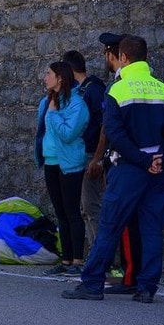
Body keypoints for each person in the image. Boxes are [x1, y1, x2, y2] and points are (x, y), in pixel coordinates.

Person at [62, 35, 164, 303]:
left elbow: (115, 133)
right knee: (152, 229)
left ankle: (92, 284)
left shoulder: (118, 90)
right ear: (145, 57)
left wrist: (142, 160)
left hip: (129, 169)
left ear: (124, 57)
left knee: (109, 225)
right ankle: (146, 288)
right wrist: (161, 158)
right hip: (158, 172)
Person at [96, 32, 143, 295]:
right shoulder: (146, 83)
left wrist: (99, 159)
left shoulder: (119, 86)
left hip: (124, 161)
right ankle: (133, 274)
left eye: (106, 54)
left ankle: (128, 275)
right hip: (142, 160)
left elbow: (109, 129)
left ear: (115, 56)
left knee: (122, 222)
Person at [35, 61, 90, 277]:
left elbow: (68, 134)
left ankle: (77, 260)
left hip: (70, 164)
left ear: (60, 78)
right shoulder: (47, 101)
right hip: (51, 162)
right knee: (60, 213)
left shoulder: (77, 104)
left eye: (48, 74)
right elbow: (42, 132)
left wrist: (53, 114)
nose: (45, 77)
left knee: (72, 212)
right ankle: (66, 260)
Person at [61, 50, 106, 252]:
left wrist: (97, 159)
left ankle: (100, 255)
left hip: (90, 155)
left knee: (91, 206)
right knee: (83, 208)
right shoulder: (80, 91)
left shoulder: (93, 90)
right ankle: (94, 252)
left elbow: (104, 126)